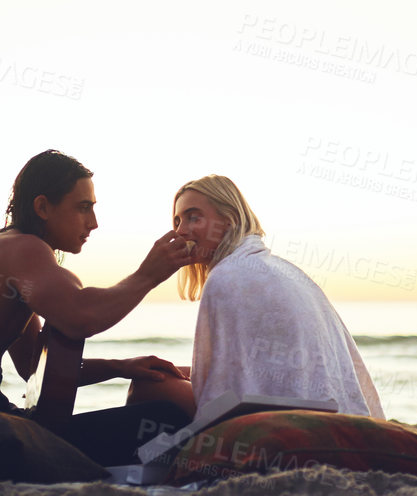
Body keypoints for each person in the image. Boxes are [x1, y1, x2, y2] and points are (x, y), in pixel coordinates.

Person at [0, 150, 197, 467]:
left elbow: (32, 367)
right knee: (165, 419)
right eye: (83, 208)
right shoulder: (22, 248)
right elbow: (80, 317)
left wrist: (120, 367)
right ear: (42, 207)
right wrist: (148, 275)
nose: (93, 223)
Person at [127, 175, 383, 420]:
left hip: (277, 415)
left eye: (193, 218)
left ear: (229, 219)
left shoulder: (226, 276)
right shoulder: (280, 269)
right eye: (177, 222)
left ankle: (156, 463)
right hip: (327, 407)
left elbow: (224, 391)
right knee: (166, 373)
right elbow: (245, 366)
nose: (181, 231)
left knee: (149, 384)